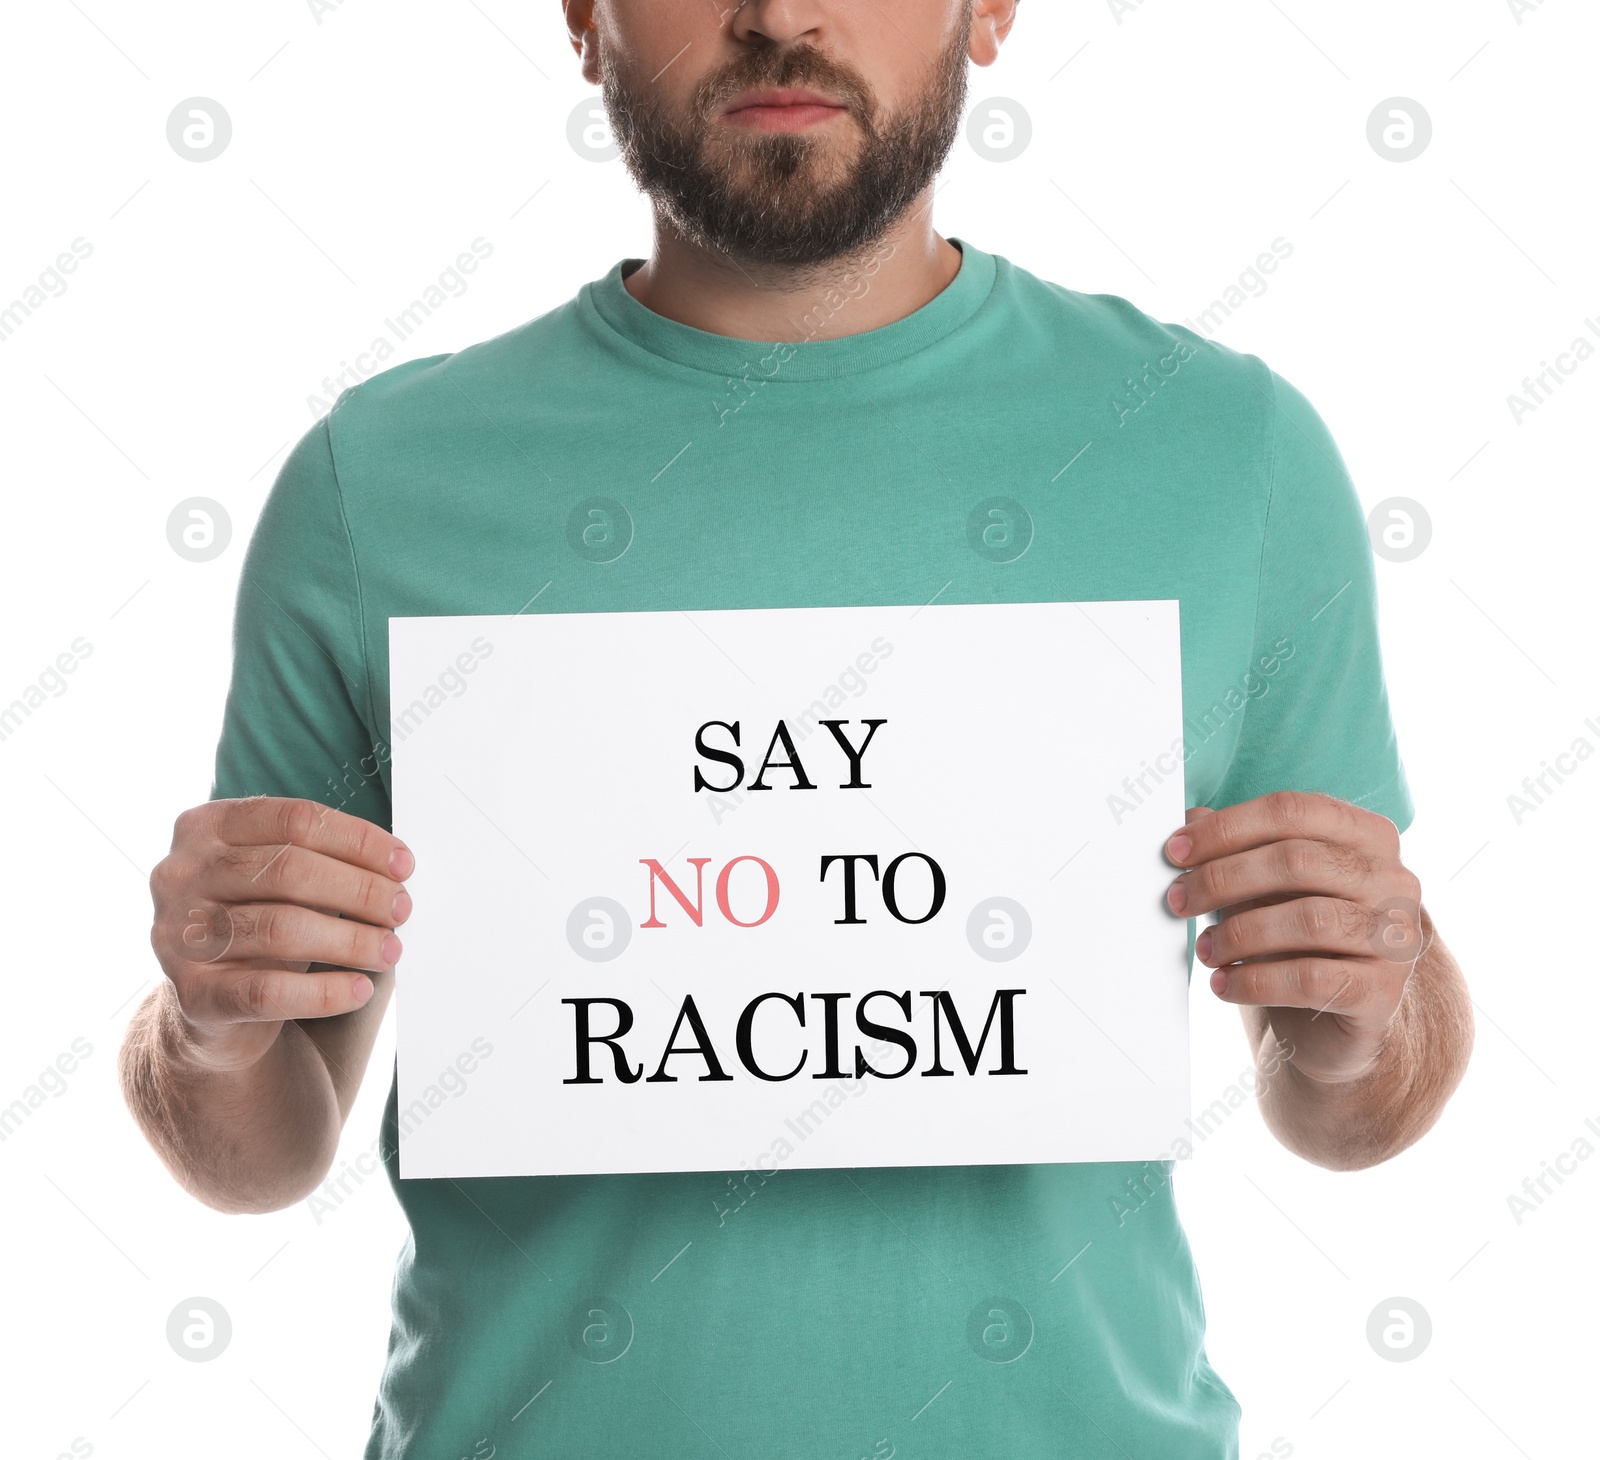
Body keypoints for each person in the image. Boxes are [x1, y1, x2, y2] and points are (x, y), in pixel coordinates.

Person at [119, 2, 1474, 1455]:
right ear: (586, 18)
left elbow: (1353, 1106)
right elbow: (265, 1145)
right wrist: (202, 1027)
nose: (782, 14)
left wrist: (1363, 1018)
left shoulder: (1227, 451)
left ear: (991, 8)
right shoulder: (377, 481)